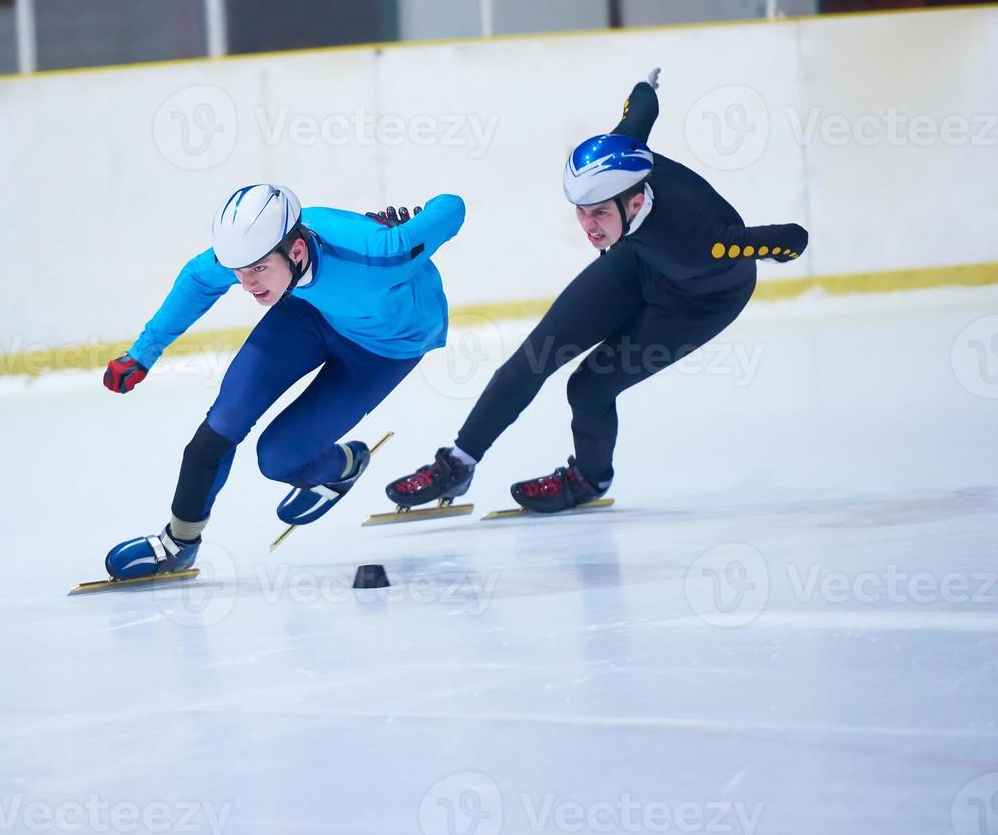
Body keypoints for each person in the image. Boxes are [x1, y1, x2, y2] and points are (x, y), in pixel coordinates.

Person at [385, 69, 808, 514]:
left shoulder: (704, 242)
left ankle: (589, 478)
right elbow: (640, 111)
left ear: (636, 201)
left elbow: (793, 237)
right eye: (581, 212)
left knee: (589, 387)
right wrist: (648, 85)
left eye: (599, 213)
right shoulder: (624, 157)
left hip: (698, 303)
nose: (588, 227)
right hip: (640, 262)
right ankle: (459, 462)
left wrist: (775, 251)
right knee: (534, 356)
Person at [101, 184, 466, 579]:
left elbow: (453, 207)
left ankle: (345, 464)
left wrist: (414, 225)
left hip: (386, 346)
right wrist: (142, 353)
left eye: (258, 270)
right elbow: (198, 279)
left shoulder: (379, 253)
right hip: (309, 314)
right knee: (220, 426)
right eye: (239, 272)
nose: (247, 284)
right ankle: (178, 543)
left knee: (277, 459)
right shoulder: (257, 246)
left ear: (296, 251)